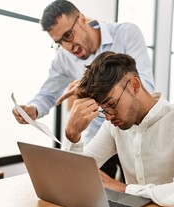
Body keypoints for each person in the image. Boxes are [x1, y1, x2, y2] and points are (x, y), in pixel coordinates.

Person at [12, 0, 155, 178]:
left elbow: (145, 87)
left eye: (68, 35)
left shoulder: (126, 34)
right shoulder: (63, 58)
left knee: (136, 192)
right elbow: (48, 93)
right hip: (98, 137)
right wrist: (33, 109)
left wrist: (87, 84)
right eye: (59, 42)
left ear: (81, 19)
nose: (67, 47)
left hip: (133, 133)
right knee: (90, 190)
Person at [62, 51, 174, 207]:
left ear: (134, 86)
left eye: (112, 104)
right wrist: (72, 135)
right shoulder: (114, 126)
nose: (109, 116)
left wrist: (124, 188)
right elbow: (74, 177)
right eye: (103, 109)